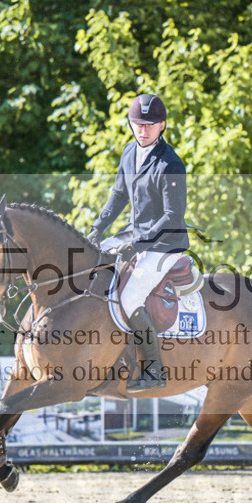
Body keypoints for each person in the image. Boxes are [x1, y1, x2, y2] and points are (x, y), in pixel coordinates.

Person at [87, 93, 189, 393]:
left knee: (130, 298)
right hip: (134, 236)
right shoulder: (129, 153)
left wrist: (139, 243)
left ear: (162, 126)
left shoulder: (171, 164)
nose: (142, 130)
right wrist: (96, 230)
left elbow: (173, 215)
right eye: (137, 124)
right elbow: (118, 195)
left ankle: (154, 370)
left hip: (165, 244)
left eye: (150, 124)